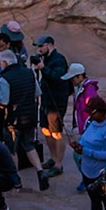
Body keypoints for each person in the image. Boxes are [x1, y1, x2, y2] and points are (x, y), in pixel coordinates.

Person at [0, 50, 50, 190]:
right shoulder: (30, 73)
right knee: (29, 146)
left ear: (5, 62)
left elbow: (4, 102)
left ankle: (16, 180)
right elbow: (37, 93)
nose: (0, 64)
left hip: (13, 120)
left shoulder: (4, 78)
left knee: (12, 150)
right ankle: (40, 172)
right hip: (30, 116)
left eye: (0, 62)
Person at [35, 35, 72, 175]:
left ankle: (59, 165)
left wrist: (43, 68)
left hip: (56, 101)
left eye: (41, 46)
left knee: (56, 132)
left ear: (49, 45)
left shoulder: (58, 59)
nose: (38, 49)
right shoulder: (45, 58)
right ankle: (53, 157)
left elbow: (58, 77)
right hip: (45, 100)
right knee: (45, 129)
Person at [68, 63, 99, 137]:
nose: (72, 81)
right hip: (84, 127)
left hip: (89, 128)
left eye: (73, 79)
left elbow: (94, 109)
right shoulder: (80, 88)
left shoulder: (89, 89)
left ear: (79, 76)